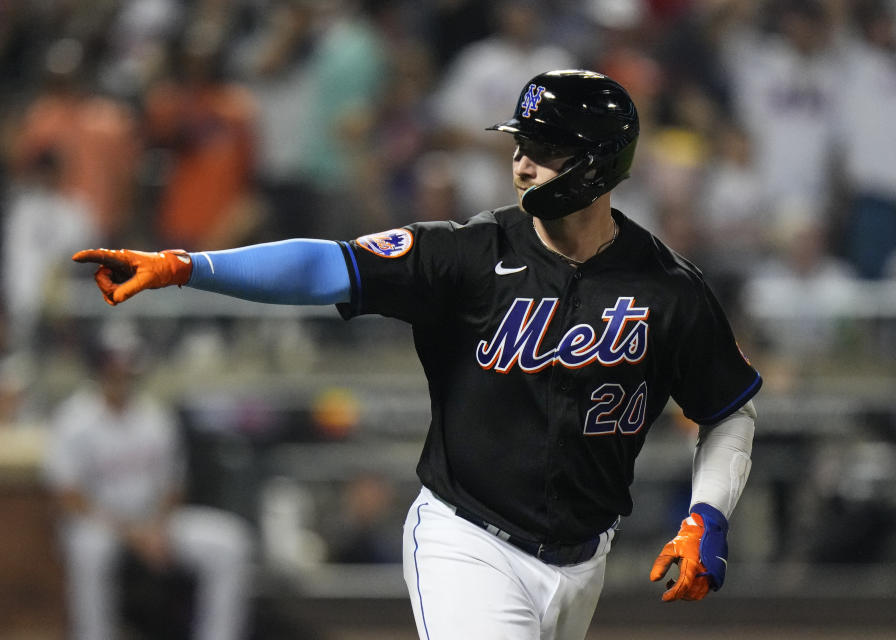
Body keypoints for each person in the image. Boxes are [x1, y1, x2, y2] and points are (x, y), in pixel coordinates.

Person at [73, 70, 761, 640]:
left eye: (544, 149)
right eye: (521, 143)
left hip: (585, 560)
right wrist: (187, 266)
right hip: (470, 542)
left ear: (600, 162)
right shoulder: (468, 253)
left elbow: (728, 410)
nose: (521, 162)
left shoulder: (668, 290)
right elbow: (326, 267)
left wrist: (708, 512)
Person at [44, 321, 254, 640]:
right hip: (100, 523)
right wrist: (132, 534)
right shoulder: (74, 419)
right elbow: (69, 496)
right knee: (88, 551)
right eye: (115, 361)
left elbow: (173, 485)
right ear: (98, 364)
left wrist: (157, 527)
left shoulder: (155, 416)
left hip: (153, 521)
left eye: (129, 361)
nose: (123, 369)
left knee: (230, 541)